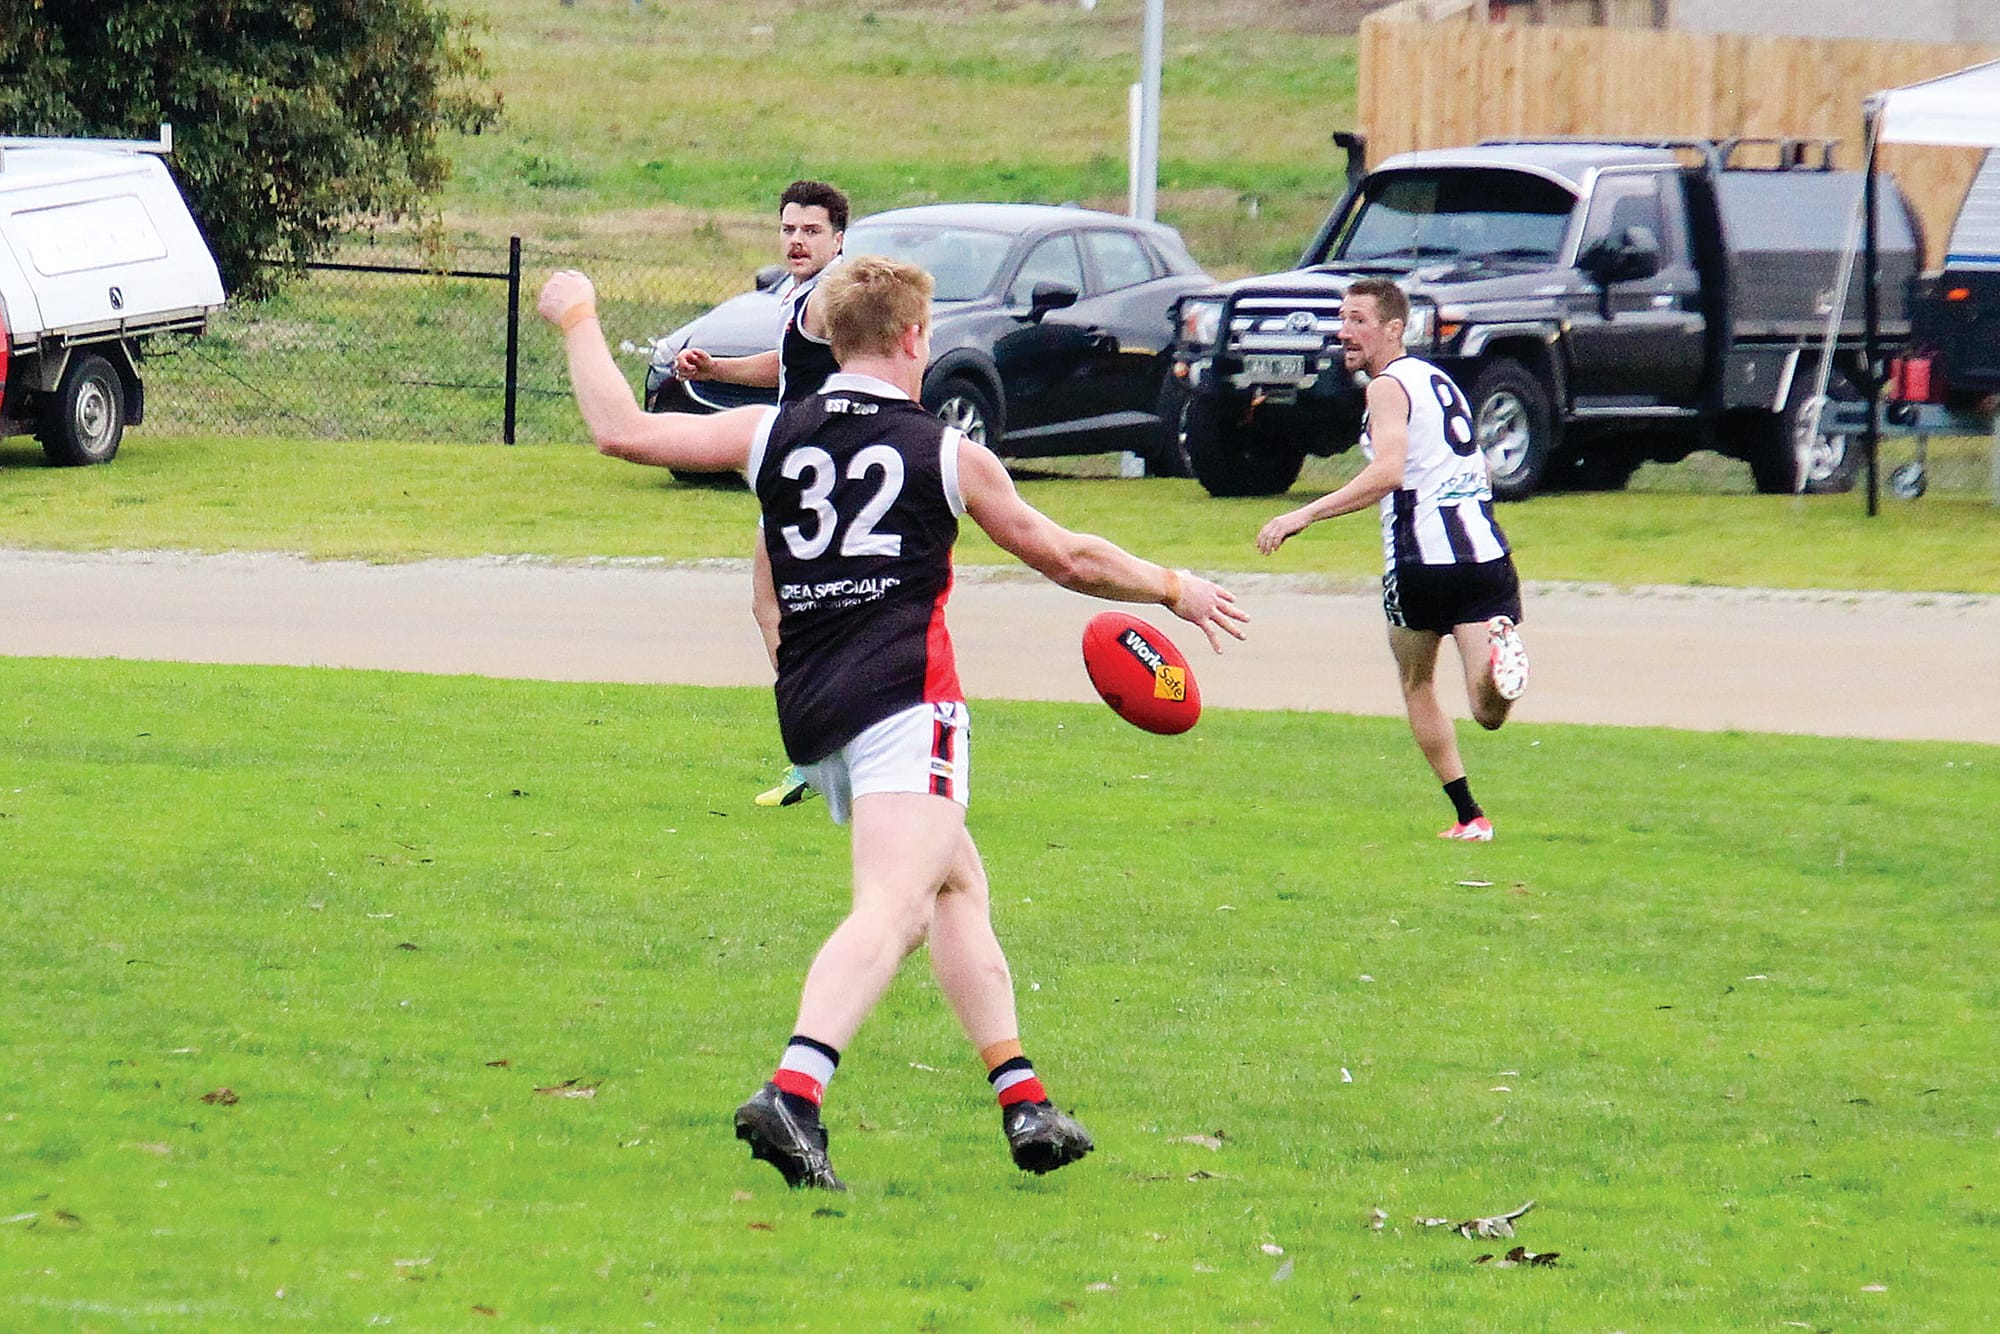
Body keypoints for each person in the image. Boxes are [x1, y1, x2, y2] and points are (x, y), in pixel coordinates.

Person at [540, 255, 1248, 1191]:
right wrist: (1172, 585)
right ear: (916, 337)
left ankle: (1023, 1099)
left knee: (954, 886)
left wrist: (578, 316)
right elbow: (1065, 556)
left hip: (815, 706)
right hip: (908, 705)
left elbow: (620, 430)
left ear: (831, 338)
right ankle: (795, 1091)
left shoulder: (770, 431)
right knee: (894, 905)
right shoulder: (948, 451)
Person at [1255, 276, 1529, 842]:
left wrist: (1301, 515)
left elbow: (1388, 473)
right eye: (1343, 318)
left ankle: (1468, 814)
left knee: (1416, 683)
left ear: (1393, 328)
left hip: (1420, 561)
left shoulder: (1385, 387)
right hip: (1485, 554)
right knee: (1488, 711)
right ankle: (1502, 666)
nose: (1345, 331)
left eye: (1358, 320)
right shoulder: (1437, 380)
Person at [674, 179, 850, 810]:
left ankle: (820, 746)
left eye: (810, 231)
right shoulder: (802, 295)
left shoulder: (833, 297)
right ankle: (825, 743)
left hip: (813, 475)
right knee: (795, 608)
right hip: (807, 470)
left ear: (838, 239)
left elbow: (864, 360)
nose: (796, 241)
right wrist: (718, 369)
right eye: (788, 229)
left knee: (775, 606)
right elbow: (790, 364)